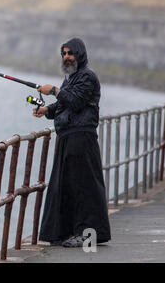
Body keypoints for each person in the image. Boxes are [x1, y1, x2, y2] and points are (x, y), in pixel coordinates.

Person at [32, 37, 111, 247]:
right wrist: (46, 110)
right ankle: (66, 231)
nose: (66, 57)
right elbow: (62, 105)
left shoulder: (88, 77)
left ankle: (88, 235)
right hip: (67, 138)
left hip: (82, 138)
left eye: (70, 53)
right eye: (63, 54)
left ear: (80, 54)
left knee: (84, 186)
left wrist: (54, 91)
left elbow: (75, 101)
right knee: (65, 186)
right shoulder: (70, 78)